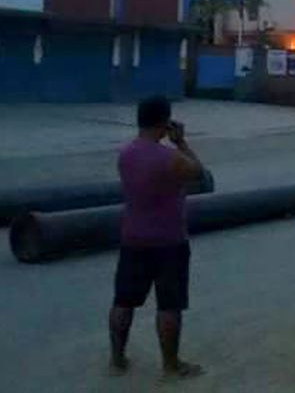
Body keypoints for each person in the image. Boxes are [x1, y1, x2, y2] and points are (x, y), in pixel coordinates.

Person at [109, 96, 206, 379]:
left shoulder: (126, 155)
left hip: (132, 237)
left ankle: (117, 360)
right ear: (165, 122)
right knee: (169, 305)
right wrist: (181, 142)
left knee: (123, 301)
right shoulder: (170, 159)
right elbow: (199, 173)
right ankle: (171, 366)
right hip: (168, 240)